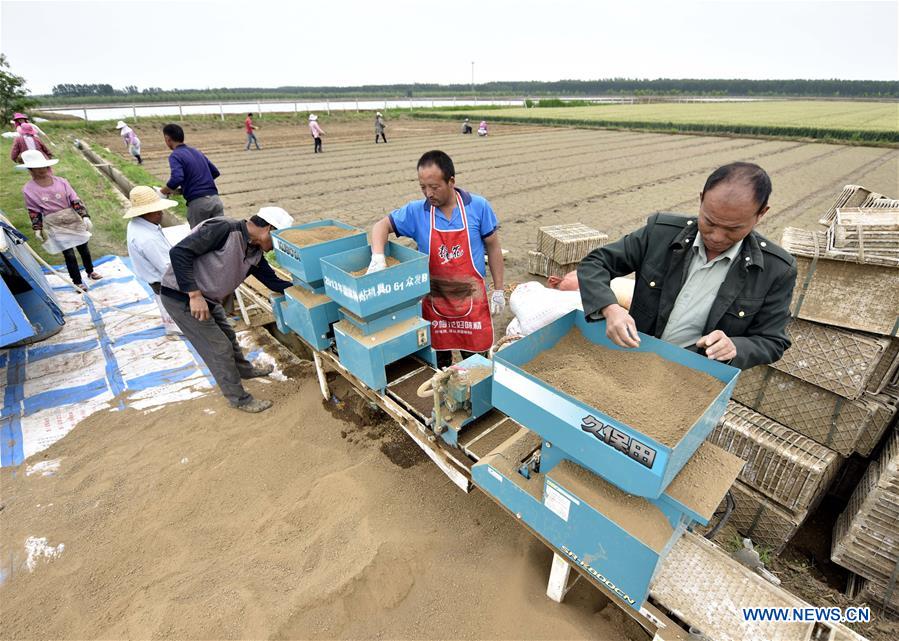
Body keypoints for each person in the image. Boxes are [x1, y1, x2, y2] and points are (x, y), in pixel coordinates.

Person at [578, 162, 797, 370]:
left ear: (761, 214)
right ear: (701, 199)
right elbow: (595, 263)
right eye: (709, 222)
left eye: (733, 229)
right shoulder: (660, 233)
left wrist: (735, 347)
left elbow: (772, 341)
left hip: (692, 378)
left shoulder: (776, 269)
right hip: (633, 358)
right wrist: (611, 308)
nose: (717, 236)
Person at [366, 150, 506, 368]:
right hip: (436, 304)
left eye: (434, 187)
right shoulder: (416, 212)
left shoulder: (477, 206)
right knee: (439, 364)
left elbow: (494, 247)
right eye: (423, 187)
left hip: (472, 302)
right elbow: (381, 226)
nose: (428, 193)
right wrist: (378, 256)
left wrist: (499, 290)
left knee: (478, 366)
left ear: (451, 181)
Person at [159, 206, 294, 412]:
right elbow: (179, 252)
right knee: (218, 348)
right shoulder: (224, 229)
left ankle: (245, 370)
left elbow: (274, 283)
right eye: (279, 240)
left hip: (208, 298)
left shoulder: (254, 253)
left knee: (228, 336)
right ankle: (239, 399)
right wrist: (194, 295)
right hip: (183, 297)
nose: (277, 248)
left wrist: (309, 289)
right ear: (269, 229)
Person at [17, 149, 101, 291]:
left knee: (84, 249)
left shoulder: (61, 182)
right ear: (30, 169)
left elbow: (75, 200)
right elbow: (34, 210)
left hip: (71, 219)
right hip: (55, 223)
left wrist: (84, 216)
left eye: (44, 166)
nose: (42, 170)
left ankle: (90, 271)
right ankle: (77, 281)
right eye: (37, 168)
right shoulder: (29, 189)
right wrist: (37, 228)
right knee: (69, 254)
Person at [123, 185, 181, 333]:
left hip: (158, 280)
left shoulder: (140, 224)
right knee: (180, 311)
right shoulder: (147, 239)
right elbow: (167, 268)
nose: (160, 213)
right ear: (145, 212)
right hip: (164, 281)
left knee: (170, 309)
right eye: (156, 210)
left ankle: (174, 326)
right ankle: (183, 328)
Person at [160, 123, 224, 228]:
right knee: (219, 237)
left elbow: (177, 178)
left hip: (199, 205)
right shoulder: (197, 152)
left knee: (198, 240)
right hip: (215, 201)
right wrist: (190, 187)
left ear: (167, 139)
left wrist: (163, 191)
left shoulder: (175, 155)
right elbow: (215, 172)